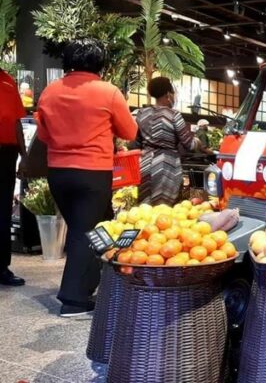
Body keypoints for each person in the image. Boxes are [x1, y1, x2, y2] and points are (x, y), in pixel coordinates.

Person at [37, 39, 138, 317]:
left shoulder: (49, 92)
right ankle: (74, 299)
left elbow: (43, 135)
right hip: (92, 172)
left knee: (96, 226)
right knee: (86, 232)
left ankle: (103, 281)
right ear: (100, 62)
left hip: (58, 172)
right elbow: (129, 131)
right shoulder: (108, 92)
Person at [134, 77, 200, 206]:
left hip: (145, 164)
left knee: (144, 211)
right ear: (168, 94)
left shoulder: (141, 113)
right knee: (164, 212)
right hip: (167, 167)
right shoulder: (174, 115)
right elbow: (189, 144)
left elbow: (135, 142)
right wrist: (198, 141)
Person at [0, 68, 27, 286]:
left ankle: (2, 268)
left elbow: (18, 121)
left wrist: (24, 156)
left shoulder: (8, 80)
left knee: (2, 211)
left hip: (6, 154)